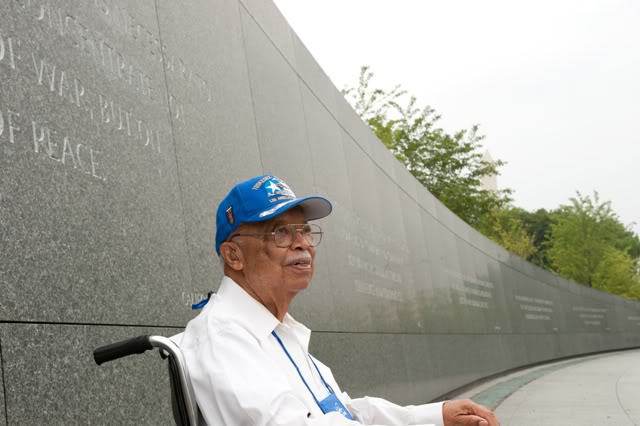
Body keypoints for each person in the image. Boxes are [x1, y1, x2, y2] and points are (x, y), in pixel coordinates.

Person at [179, 175, 499, 426]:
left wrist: (436, 416)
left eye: (305, 230)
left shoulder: (277, 331)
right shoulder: (223, 337)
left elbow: (340, 411)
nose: (303, 244)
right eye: (280, 232)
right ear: (234, 255)